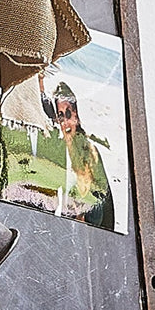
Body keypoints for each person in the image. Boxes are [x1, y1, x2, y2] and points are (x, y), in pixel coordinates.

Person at [39, 74, 115, 231]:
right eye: (60, 115)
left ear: (76, 115)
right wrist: (40, 82)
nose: (65, 121)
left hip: (89, 222)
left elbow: (101, 198)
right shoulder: (58, 141)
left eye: (68, 113)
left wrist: (82, 215)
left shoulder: (88, 149)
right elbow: (45, 106)